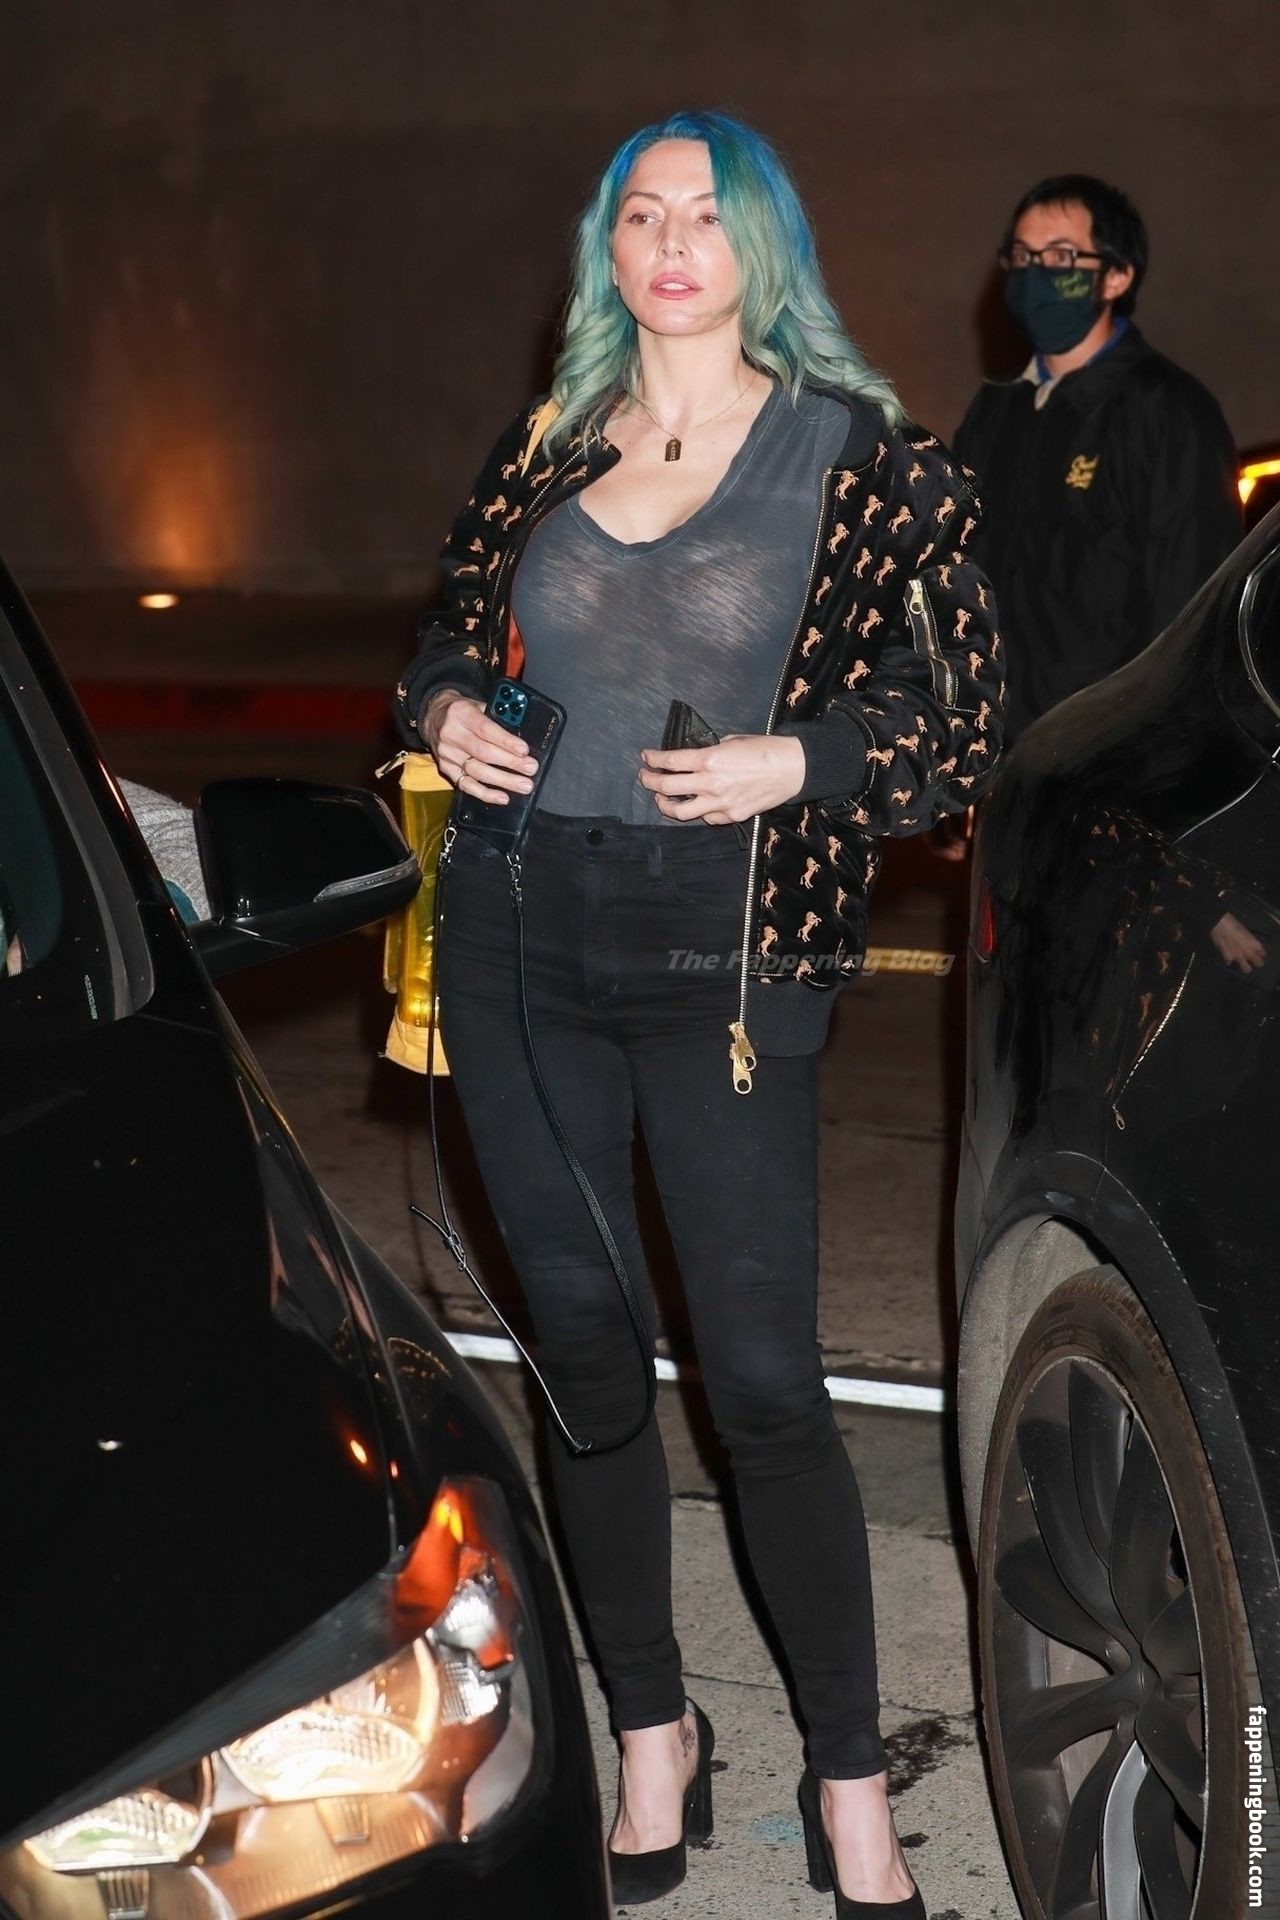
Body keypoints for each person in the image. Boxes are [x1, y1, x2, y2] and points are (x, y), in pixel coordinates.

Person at [393, 111, 1004, 1916]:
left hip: (726, 957)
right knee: (585, 1365)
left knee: (762, 1386)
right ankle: (652, 1732)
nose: (672, 243)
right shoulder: (549, 441)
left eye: (707, 217)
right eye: (642, 215)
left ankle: (849, 1781)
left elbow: (970, 707)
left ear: (762, 249)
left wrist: (796, 759)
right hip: (518, 937)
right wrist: (448, 714)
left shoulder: (861, 457)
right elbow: (443, 635)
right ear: (610, 248)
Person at [955, 173, 1242, 743]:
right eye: (1022, 255)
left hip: (1107, 757)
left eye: (1061, 256)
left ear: (1116, 276)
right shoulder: (995, 408)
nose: (1035, 272)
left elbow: (1193, 616)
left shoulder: (1168, 412)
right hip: (995, 754)